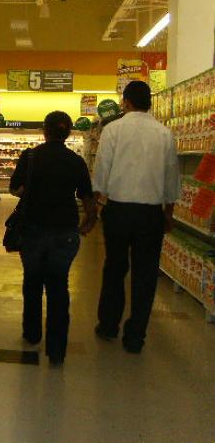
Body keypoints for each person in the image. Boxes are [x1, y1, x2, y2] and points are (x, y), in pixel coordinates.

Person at [93, 80, 180, 354]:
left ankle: (109, 325)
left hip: (118, 210)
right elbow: (171, 176)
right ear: (149, 103)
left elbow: (102, 169)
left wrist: (99, 201)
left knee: (114, 268)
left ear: (126, 102)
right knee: (145, 274)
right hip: (150, 214)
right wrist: (168, 214)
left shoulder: (112, 130)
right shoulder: (164, 134)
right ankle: (135, 336)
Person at [10, 111, 97, 366]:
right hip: (65, 231)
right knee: (59, 287)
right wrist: (90, 219)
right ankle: (57, 351)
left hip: (33, 229)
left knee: (32, 281)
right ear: (68, 133)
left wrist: (31, 190)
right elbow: (86, 195)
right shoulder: (76, 161)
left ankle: (32, 333)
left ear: (44, 131)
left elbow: (15, 188)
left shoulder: (31, 156)